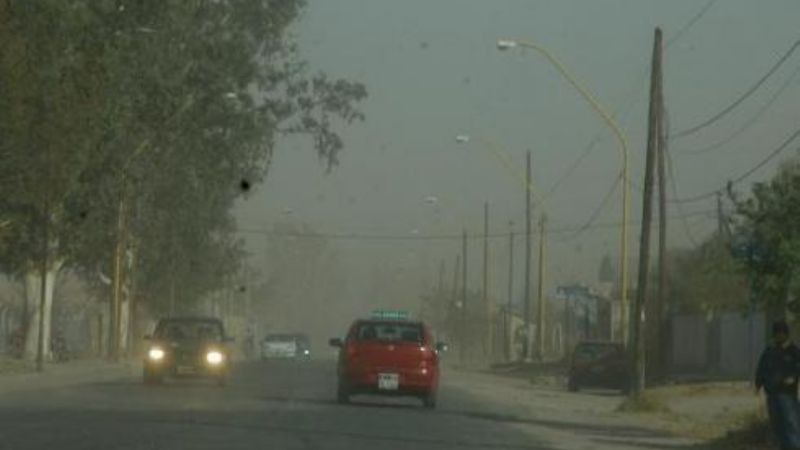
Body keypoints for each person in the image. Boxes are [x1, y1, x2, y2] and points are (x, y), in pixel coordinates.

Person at [756, 320, 800, 450]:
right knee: (777, 425)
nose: (779, 336)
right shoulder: (769, 351)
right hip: (772, 394)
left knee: (791, 424)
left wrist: (793, 377)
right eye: (777, 333)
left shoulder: (793, 351)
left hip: (788, 394)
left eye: (782, 333)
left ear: (786, 334)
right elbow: (761, 368)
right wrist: (758, 384)